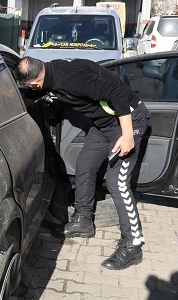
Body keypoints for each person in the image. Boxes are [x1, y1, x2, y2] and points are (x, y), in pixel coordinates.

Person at [14, 56, 150, 270]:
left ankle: (133, 245)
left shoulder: (72, 79)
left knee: (118, 183)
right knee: (85, 164)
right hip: (104, 124)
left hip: (128, 121)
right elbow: (34, 94)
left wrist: (127, 135)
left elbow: (116, 93)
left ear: (35, 81)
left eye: (31, 86)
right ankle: (83, 221)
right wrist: (16, 111)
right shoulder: (49, 73)